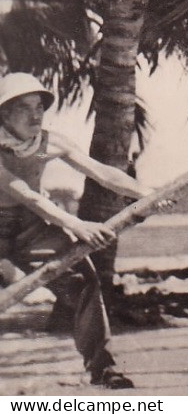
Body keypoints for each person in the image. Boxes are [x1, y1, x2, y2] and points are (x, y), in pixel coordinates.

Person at [0, 73, 163, 389]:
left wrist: (148, 193)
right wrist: (76, 224)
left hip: (31, 228)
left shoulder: (50, 141)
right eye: (24, 107)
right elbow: (25, 193)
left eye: (39, 107)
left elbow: (102, 173)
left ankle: (103, 367)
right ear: (4, 113)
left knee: (85, 280)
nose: (36, 115)